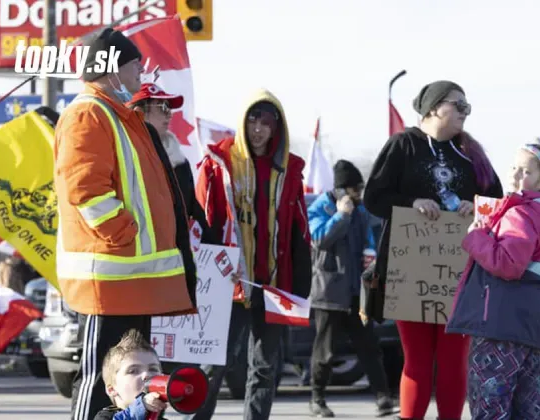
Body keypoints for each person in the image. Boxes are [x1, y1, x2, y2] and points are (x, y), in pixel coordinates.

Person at [54, 28, 198, 420]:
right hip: (109, 278)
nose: (140, 72)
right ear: (112, 69)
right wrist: (124, 235)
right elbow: (84, 187)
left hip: (131, 280)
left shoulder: (119, 117)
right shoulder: (88, 113)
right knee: (102, 381)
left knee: (135, 383)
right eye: (135, 64)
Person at [363, 80, 503, 420]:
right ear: (433, 108)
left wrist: (477, 206)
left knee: (454, 359)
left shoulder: (472, 153)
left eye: (467, 107)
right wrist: (412, 201)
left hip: (460, 273)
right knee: (418, 359)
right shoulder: (402, 145)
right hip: (409, 271)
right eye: (459, 105)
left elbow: (498, 203)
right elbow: (374, 198)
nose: (464, 113)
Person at [192, 89, 312, 420]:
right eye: (252, 120)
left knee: (264, 368)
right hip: (230, 284)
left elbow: (299, 230)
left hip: (273, 285)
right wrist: (211, 272)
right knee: (215, 363)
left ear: (277, 128)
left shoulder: (289, 169)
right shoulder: (219, 163)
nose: (258, 129)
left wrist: (300, 287)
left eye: (267, 122)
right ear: (242, 123)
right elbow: (201, 224)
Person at [446, 143, 540, 419]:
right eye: (514, 167)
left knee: (490, 405)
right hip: (527, 327)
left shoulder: (519, 213)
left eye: (526, 171)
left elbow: (507, 264)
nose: (516, 174)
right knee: (526, 404)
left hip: (498, 323)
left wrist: (476, 236)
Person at [307, 159, 395, 417]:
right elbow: (320, 239)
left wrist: (371, 253)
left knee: (369, 347)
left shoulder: (361, 211)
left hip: (357, 293)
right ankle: (317, 399)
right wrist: (340, 215)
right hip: (329, 293)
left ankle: (383, 398)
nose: (359, 195)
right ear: (343, 190)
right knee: (324, 352)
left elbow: (368, 237)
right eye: (356, 189)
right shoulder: (320, 208)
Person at [126, 83, 217, 245]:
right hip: (133, 259)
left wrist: (221, 255)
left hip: (174, 260)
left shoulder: (179, 161)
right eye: (162, 107)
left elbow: (193, 211)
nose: (169, 115)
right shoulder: (120, 157)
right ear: (139, 112)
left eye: (169, 108)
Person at [94, 329, 169, 420]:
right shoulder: (106, 416)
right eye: (133, 371)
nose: (147, 375)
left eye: (153, 369)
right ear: (112, 389)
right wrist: (140, 406)